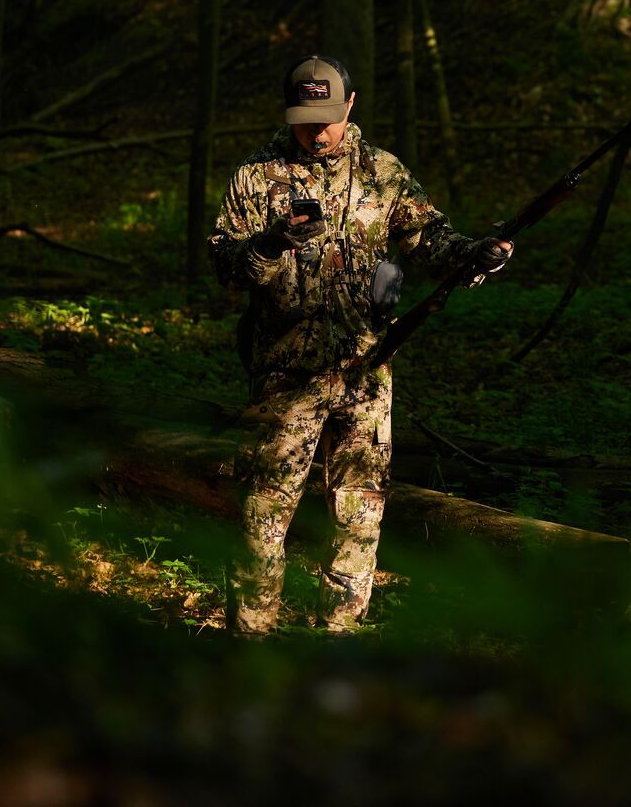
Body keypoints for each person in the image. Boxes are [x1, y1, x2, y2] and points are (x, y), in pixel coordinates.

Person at [208, 55, 512, 634]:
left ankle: (339, 642)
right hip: (284, 375)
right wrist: (271, 243)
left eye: (327, 116)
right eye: (303, 118)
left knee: (358, 513)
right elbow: (225, 270)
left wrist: (479, 255)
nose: (316, 131)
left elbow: (430, 238)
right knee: (263, 512)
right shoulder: (255, 176)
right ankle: (249, 644)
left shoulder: (381, 172)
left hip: (366, 369)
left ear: (350, 105)